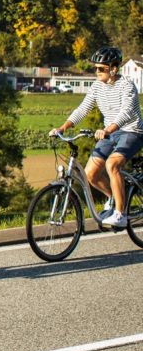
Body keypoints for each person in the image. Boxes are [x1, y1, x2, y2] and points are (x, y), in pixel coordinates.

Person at [51, 46, 143, 228]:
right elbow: (83, 109)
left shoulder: (127, 86)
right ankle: (113, 198)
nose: (97, 72)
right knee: (90, 173)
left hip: (132, 132)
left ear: (114, 68)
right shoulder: (96, 87)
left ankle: (120, 214)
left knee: (112, 165)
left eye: (101, 68)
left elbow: (126, 113)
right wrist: (63, 127)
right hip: (110, 132)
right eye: (95, 68)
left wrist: (108, 129)